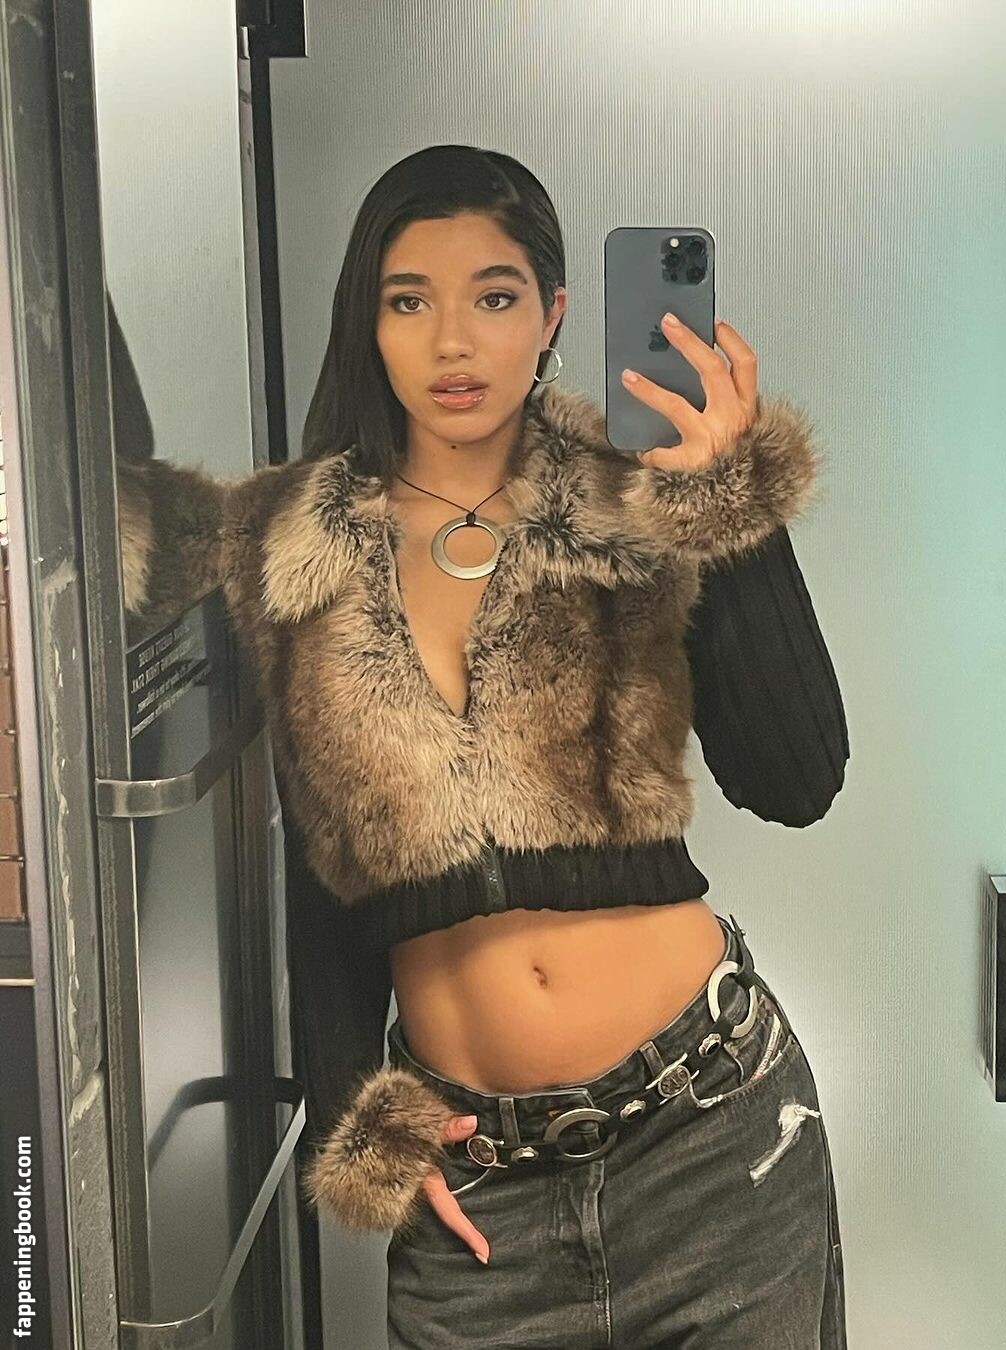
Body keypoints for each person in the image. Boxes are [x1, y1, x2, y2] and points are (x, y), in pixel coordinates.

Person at [116, 143, 849, 1348]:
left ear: (552, 314)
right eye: (409, 301)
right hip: (486, 1209)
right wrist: (368, 1117)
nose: (453, 342)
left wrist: (725, 502)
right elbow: (322, 881)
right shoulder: (282, 547)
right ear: (369, 322)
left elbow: (798, 778)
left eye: (494, 298)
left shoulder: (631, 495)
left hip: (712, 1145)